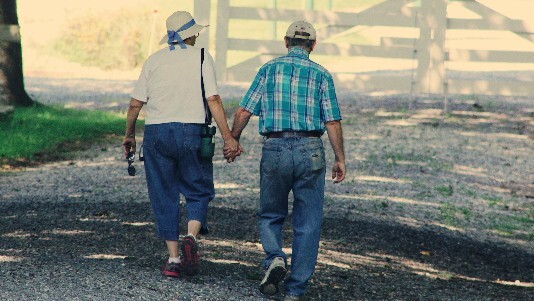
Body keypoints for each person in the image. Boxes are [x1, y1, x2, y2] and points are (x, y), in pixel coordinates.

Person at [228, 20, 346, 301]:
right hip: (310, 148)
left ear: (285, 42)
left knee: (270, 213)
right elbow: (332, 120)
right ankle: (295, 290)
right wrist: (340, 158)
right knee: (308, 221)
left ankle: (274, 258)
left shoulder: (268, 70)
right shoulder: (322, 75)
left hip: (275, 147)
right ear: (313, 45)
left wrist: (233, 140)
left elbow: (244, 111)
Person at [122, 11, 242, 278]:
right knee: (198, 188)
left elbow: (135, 104)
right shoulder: (201, 57)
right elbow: (213, 98)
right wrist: (228, 138)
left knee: (163, 193)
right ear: (190, 35)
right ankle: (191, 235)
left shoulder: (153, 60)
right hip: (192, 131)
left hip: (157, 133)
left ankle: (174, 258)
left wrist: (129, 134)